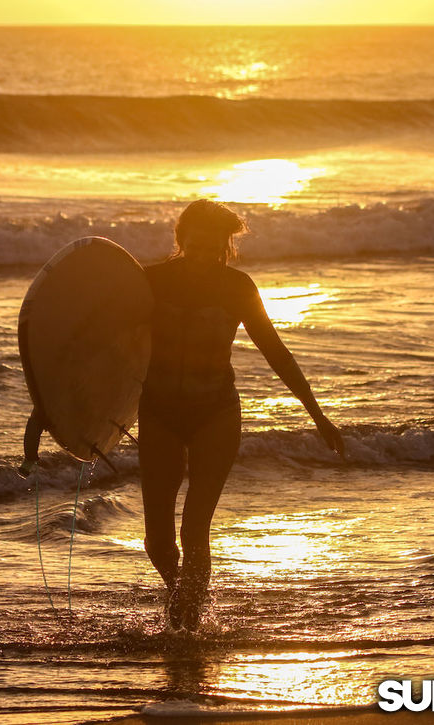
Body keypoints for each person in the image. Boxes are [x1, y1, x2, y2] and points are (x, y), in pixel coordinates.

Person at [139, 199, 345, 631]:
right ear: (180, 241)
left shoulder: (237, 287)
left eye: (212, 250)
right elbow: (101, 340)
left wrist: (318, 415)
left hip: (215, 410)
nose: (201, 258)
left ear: (224, 246)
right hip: (158, 411)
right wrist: (61, 405)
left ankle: (188, 627)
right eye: (194, 247)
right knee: (157, 540)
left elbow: (276, 353)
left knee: (195, 530)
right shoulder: (149, 281)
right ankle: (181, 591)